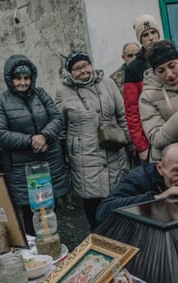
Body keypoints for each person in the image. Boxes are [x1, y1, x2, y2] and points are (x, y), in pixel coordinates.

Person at [0, 55, 70, 235]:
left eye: (26, 78)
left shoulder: (41, 94)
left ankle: (54, 247)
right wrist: (31, 140)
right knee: (30, 212)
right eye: (18, 78)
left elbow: (56, 118)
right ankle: (35, 254)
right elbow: (0, 133)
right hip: (23, 168)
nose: (23, 82)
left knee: (50, 209)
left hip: (49, 162)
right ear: (11, 80)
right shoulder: (0, 101)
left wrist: (44, 136)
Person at [55, 51, 130, 229]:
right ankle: (99, 241)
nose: (82, 71)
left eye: (85, 65)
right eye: (76, 68)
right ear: (70, 72)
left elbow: (123, 116)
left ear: (91, 65)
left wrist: (131, 145)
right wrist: (66, 157)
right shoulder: (63, 92)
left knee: (119, 203)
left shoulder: (108, 84)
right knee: (93, 207)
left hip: (114, 153)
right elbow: (60, 130)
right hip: (85, 158)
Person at [96, 143, 178, 223]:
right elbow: (103, 212)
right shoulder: (140, 177)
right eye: (177, 171)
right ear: (160, 168)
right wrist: (156, 198)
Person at [139, 40, 178, 161]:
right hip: (171, 164)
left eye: (172, 66)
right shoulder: (148, 97)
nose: (169, 74)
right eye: (161, 71)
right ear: (154, 72)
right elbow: (156, 139)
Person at [123, 14, 162, 164]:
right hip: (151, 137)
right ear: (140, 39)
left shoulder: (172, 56)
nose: (151, 38)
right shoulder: (133, 68)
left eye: (153, 33)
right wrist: (141, 147)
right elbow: (132, 111)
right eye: (145, 35)